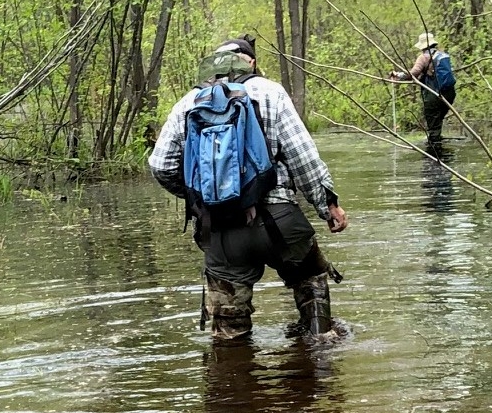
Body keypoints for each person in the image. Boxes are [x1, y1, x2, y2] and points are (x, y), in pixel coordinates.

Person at [150, 36, 349, 342]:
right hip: (279, 223)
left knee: (229, 335)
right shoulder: (270, 92)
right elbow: (303, 158)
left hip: (220, 232)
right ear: (251, 62)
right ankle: (319, 361)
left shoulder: (189, 102)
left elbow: (161, 165)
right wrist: (328, 206)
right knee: (311, 278)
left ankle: (235, 383)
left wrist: (201, 197)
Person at [390, 32, 457, 146]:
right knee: (438, 121)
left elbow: (413, 73)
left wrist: (399, 76)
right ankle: (442, 153)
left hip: (434, 94)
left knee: (433, 126)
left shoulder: (424, 57)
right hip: (449, 94)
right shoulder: (443, 55)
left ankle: (434, 156)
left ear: (423, 46)